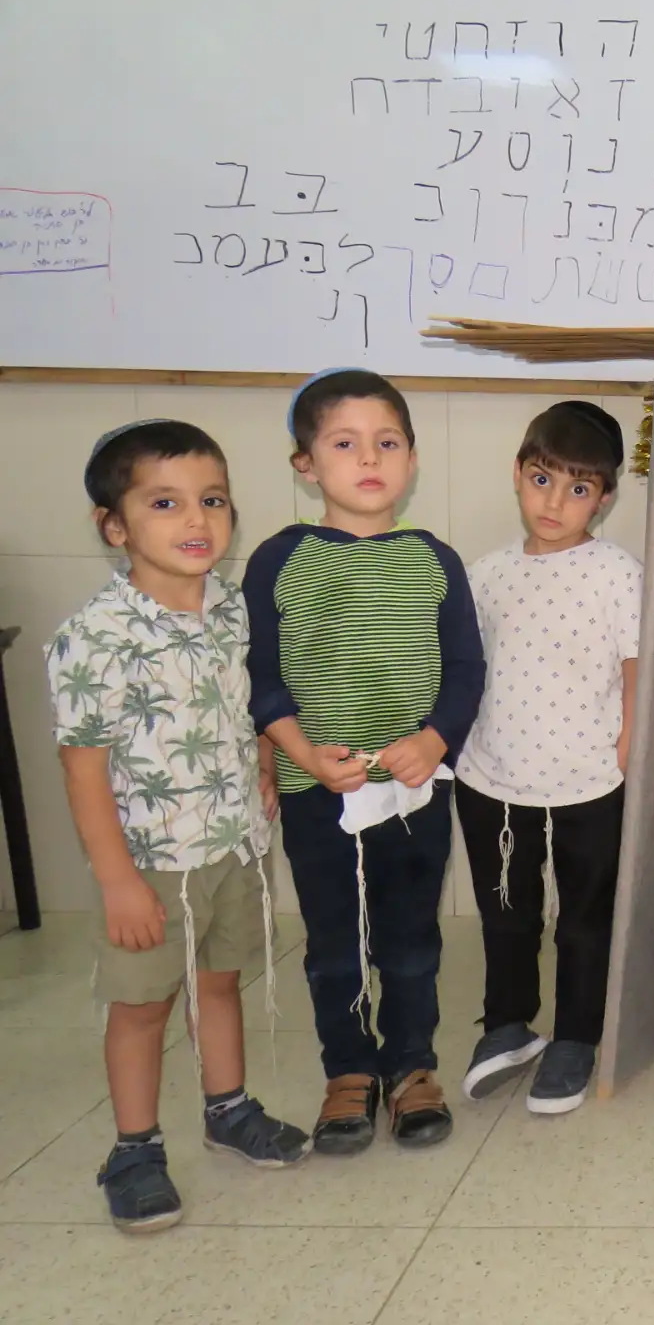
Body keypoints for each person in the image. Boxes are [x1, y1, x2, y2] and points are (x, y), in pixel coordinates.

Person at [49, 420, 310, 1233]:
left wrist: (263, 760)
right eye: (164, 503)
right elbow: (82, 769)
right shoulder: (95, 636)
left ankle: (227, 1109)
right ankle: (133, 1150)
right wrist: (118, 881)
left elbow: (241, 701)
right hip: (150, 862)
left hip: (234, 842)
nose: (196, 519)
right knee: (141, 1006)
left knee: (219, 981)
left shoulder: (230, 607)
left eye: (213, 500)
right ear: (114, 526)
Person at [243, 369, 484, 1155]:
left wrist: (436, 739)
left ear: (412, 459)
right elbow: (262, 676)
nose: (369, 458)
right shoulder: (279, 560)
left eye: (387, 442)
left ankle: (411, 1065)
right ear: (306, 464)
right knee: (333, 942)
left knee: (410, 940)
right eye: (344, 444)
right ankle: (348, 1070)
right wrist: (300, 754)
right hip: (318, 789)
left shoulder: (434, 560)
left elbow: (465, 669)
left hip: (413, 791)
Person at [454, 402, 641, 1115]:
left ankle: (575, 1037)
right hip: (492, 780)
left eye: (578, 488)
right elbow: (464, 668)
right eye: (542, 480)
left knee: (583, 921)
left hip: (589, 782)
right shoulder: (485, 574)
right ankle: (507, 1024)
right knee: (507, 913)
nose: (555, 503)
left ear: (605, 497)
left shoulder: (617, 573)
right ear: (517, 474)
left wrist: (627, 748)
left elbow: (636, 667)